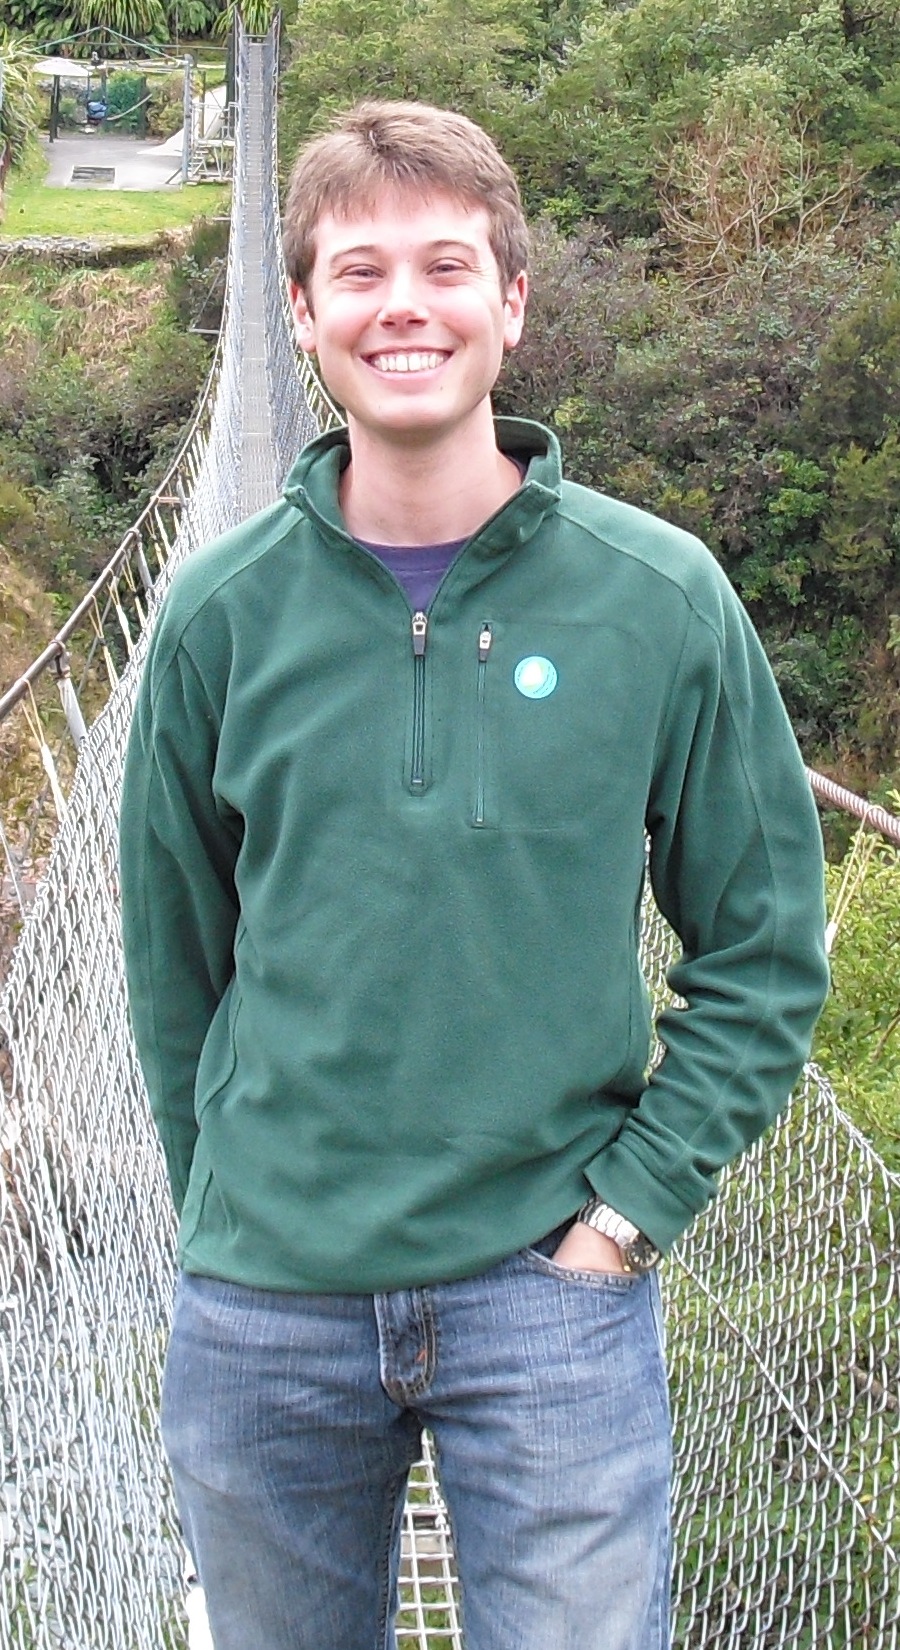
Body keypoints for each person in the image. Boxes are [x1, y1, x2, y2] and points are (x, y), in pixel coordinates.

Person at [118, 100, 830, 1650]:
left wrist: (625, 1218)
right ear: (298, 313)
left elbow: (768, 950)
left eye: (446, 266)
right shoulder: (217, 620)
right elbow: (174, 964)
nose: (405, 306)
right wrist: (226, 1211)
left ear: (511, 300)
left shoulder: (660, 601)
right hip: (268, 1302)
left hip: (548, 1288)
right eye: (358, 271)